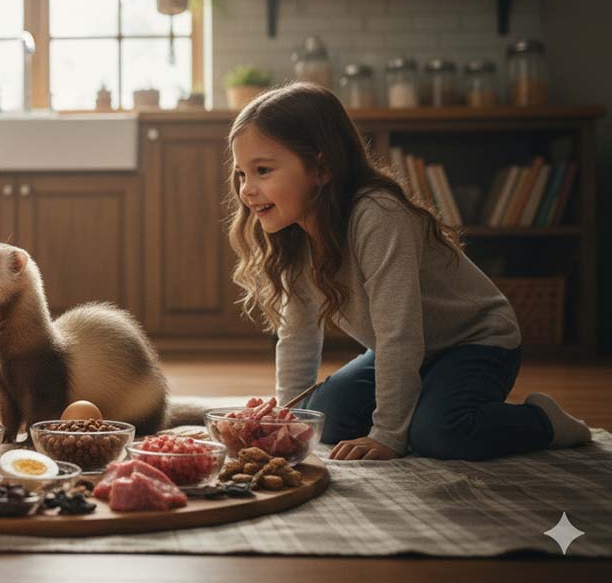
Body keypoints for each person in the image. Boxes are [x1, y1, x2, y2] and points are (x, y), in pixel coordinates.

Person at [225, 82, 591, 461]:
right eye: (241, 174)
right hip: (402, 350)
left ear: (321, 167)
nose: (247, 190)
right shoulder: (294, 233)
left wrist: (387, 434)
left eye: (263, 171)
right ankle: (420, 403)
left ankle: (543, 421)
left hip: (474, 341)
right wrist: (288, 421)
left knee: (439, 434)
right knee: (324, 422)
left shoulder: (378, 215)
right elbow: (298, 335)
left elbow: (400, 333)